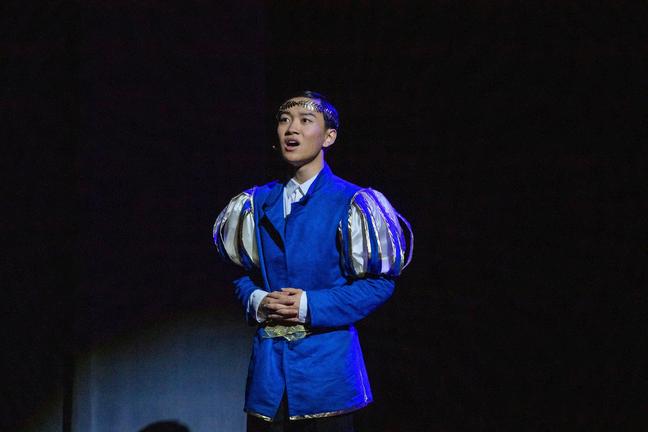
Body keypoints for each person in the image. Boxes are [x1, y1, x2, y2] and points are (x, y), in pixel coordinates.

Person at [213, 91, 412, 432]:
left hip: (327, 377)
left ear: (328, 137)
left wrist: (309, 305)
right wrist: (257, 300)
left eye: (306, 121)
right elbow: (240, 274)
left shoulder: (353, 201)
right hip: (269, 378)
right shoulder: (254, 203)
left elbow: (379, 283)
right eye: (284, 120)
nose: (292, 129)